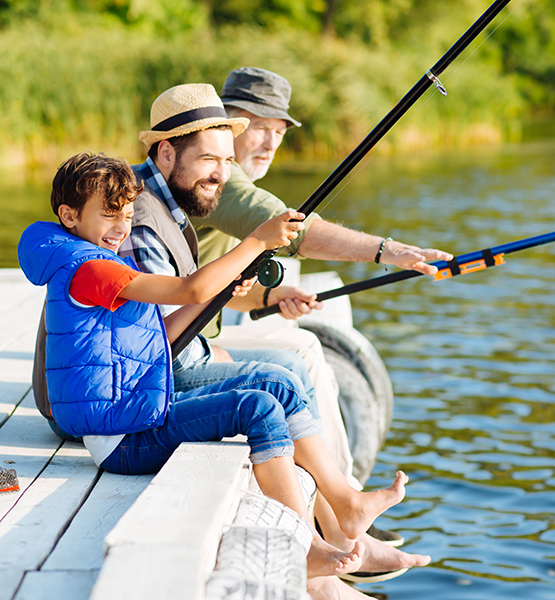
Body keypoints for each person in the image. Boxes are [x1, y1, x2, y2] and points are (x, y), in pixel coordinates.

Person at [17, 151, 427, 585]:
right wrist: (259, 240)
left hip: (138, 409)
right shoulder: (92, 271)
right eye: (109, 215)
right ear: (69, 215)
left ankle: (343, 503)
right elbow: (190, 288)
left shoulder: (98, 261)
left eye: (129, 214)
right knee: (258, 408)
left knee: (275, 392)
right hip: (121, 436)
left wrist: (225, 288)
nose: (122, 227)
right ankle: (304, 544)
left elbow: (171, 329)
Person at [120, 81, 434, 590]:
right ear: (166, 151)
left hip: (168, 353)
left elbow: (182, 305)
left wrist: (255, 293)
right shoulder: (145, 215)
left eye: (228, 160)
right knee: (280, 379)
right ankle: (327, 530)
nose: (222, 173)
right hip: (142, 381)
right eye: (211, 159)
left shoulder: (172, 198)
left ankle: (337, 518)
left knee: (287, 367)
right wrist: (389, 250)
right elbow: (169, 317)